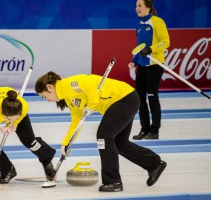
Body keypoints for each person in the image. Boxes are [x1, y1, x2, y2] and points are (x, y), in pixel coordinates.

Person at [35, 71, 167, 192]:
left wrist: (92, 104)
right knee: (120, 143)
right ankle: (154, 164)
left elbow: (90, 83)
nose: (47, 100)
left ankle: (113, 181)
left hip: (124, 98)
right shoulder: (69, 98)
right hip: (123, 101)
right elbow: (76, 120)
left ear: (50, 87)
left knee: (104, 136)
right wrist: (66, 143)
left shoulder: (68, 84)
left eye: (44, 96)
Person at [0, 86, 56, 184]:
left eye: (15, 118)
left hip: (13, 111)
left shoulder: (23, 106)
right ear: (3, 116)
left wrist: (13, 124)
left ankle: (46, 158)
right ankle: (7, 170)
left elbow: (20, 116)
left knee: (29, 141)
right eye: (10, 119)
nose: (12, 121)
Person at [128, 0, 170, 140]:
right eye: (136, 6)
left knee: (152, 97)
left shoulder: (157, 22)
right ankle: (144, 129)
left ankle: (155, 130)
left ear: (148, 7)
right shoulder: (139, 25)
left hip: (155, 65)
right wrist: (134, 61)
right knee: (139, 99)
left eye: (140, 6)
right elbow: (139, 47)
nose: (137, 8)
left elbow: (165, 41)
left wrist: (152, 49)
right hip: (142, 66)